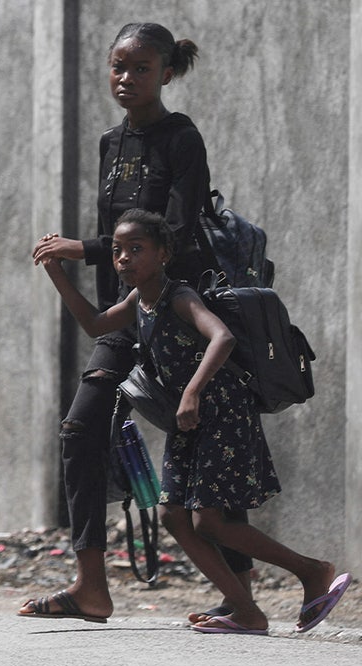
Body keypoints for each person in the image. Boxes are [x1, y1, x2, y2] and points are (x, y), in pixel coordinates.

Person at [22, 22, 254, 624]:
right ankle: (91, 587)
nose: (126, 79)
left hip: (176, 310)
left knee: (208, 447)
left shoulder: (183, 139)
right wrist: (101, 302)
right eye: (118, 66)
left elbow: (172, 232)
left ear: (167, 73)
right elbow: (125, 241)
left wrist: (85, 248)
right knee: (80, 430)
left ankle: (242, 591)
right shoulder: (110, 142)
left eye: (141, 69)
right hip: (127, 318)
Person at [38, 208, 352, 634]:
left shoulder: (178, 295)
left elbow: (222, 336)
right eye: (117, 251)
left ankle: (311, 570)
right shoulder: (138, 300)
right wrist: (57, 272)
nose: (124, 259)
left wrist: (192, 391)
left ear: (164, 253)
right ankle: (247, 611)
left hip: (220, 412)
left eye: (136, 249)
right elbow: (95, 324)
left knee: (210, 520)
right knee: (172, 516)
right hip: (190, 422)